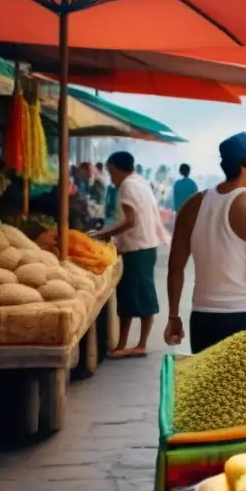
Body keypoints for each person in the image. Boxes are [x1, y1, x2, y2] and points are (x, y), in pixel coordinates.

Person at [164, 132, 246, 354]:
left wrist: (173, 316)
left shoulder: (192, 205)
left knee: (209, 388)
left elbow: (175, 266)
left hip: (203, 320)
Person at [91, 151, 169, 358]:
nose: (110, 177)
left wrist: (102, 234)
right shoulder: (139, 181)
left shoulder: (127, 186)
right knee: (129, 299)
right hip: (144, 246)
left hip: (137, 248)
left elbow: (130, 221)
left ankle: (140, 345)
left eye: (110, 172)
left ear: (117, 168)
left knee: (141, 298)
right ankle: (123, 344)